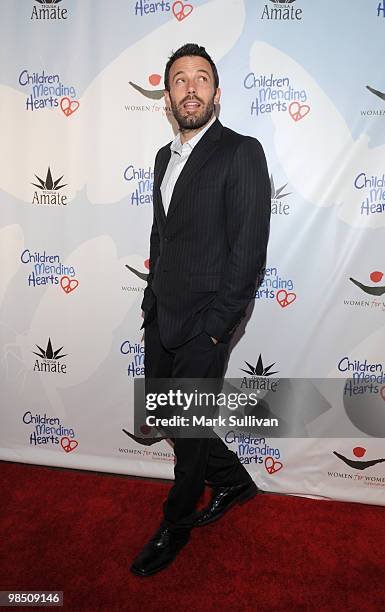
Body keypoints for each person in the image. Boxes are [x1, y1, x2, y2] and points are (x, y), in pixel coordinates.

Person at [130, 43, 271, 577]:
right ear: (167, 96)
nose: (191, 87)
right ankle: (234, 479)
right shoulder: (164, 158)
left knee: (187, 439)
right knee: (169, 416)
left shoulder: (242, 151)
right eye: (180, 80)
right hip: (161, 316)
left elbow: (248, 250)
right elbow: (161, 236)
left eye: (202, 78)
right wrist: (149, 303)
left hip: (205, 326)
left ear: (216, 92)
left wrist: (216, 330)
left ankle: (175, 524)